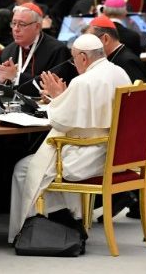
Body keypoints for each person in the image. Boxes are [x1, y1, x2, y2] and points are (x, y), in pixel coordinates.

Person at [8, 34, 131, 243]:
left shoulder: (83, 82)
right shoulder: (119, 72)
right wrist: (65, 97)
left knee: (24, 168)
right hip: (118, 153)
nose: (73, 64)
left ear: (83, 57)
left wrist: (57, 98)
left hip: (89, 156)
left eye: (73, 59)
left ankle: (38, 232)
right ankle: (70, 220)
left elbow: (61, 123)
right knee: (42, 167)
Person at [0, 4, 74, 97]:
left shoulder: (57, 50)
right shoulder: (8, 51)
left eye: (22, 24)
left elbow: (54, 87)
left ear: (37, 27)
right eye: (14, 23)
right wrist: (1, 78)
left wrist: (16, 77)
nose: (16, 29)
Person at [85, 15, 146, 83]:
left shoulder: (126, 62)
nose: (88, 45)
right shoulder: (116, 57)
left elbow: (139, 92)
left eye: (91, 40)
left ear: (106, 39)